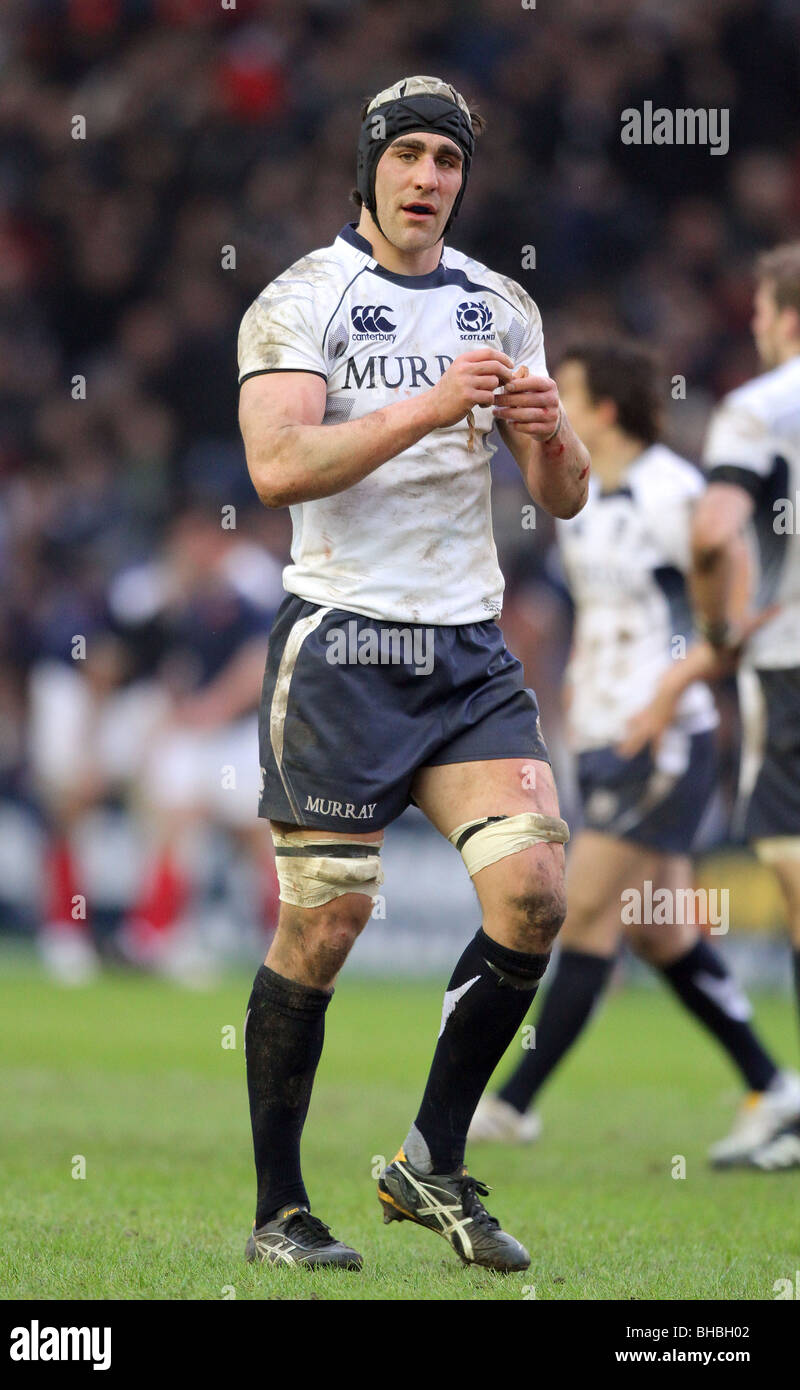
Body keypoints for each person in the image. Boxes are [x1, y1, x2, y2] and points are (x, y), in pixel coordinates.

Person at [235, 75, 590, 1271]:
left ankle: (428, 1160)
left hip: (467, 650)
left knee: (537, 893)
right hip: (344, 641)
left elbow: (565, 496)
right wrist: (435, 406)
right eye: (411, 156)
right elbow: (279, 466)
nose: (430, 177)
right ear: (370, 168)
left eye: (448, 159)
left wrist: (549, 433)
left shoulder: (504, 304)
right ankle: (280, 1208)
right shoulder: (302, 301)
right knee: (328, 924)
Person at [468, 342, 800, 1160]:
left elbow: (735, 617)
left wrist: (664, 697)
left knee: (581, 910)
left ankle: (511, 1103)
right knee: (661, 929)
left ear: (605, 409)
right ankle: (775, 1087)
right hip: (605, 732)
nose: (553, 403)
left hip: (666, 739)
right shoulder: (581, 499)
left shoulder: (673, 492)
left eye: (567, 391)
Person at [622, 243, 800, 1169]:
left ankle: (792, 1103)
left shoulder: (761, 406)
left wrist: (717, 632)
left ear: (783, 318)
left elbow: (716, 525)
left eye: (765, 314)